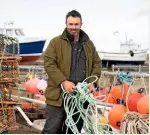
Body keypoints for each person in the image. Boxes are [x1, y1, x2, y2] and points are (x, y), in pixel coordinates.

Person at [42, 10, 101, 134]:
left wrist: (91, 83)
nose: (73, 27)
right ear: (66, 23)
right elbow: (49, 63)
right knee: (52, 130)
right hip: (58, 97)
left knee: (73, 130)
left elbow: (97, 63)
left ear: (81, 24)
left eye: (76, 24)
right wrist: (63, 81)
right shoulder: (55, 42)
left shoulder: (88, 44)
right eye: (71, 24)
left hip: (79, 98)